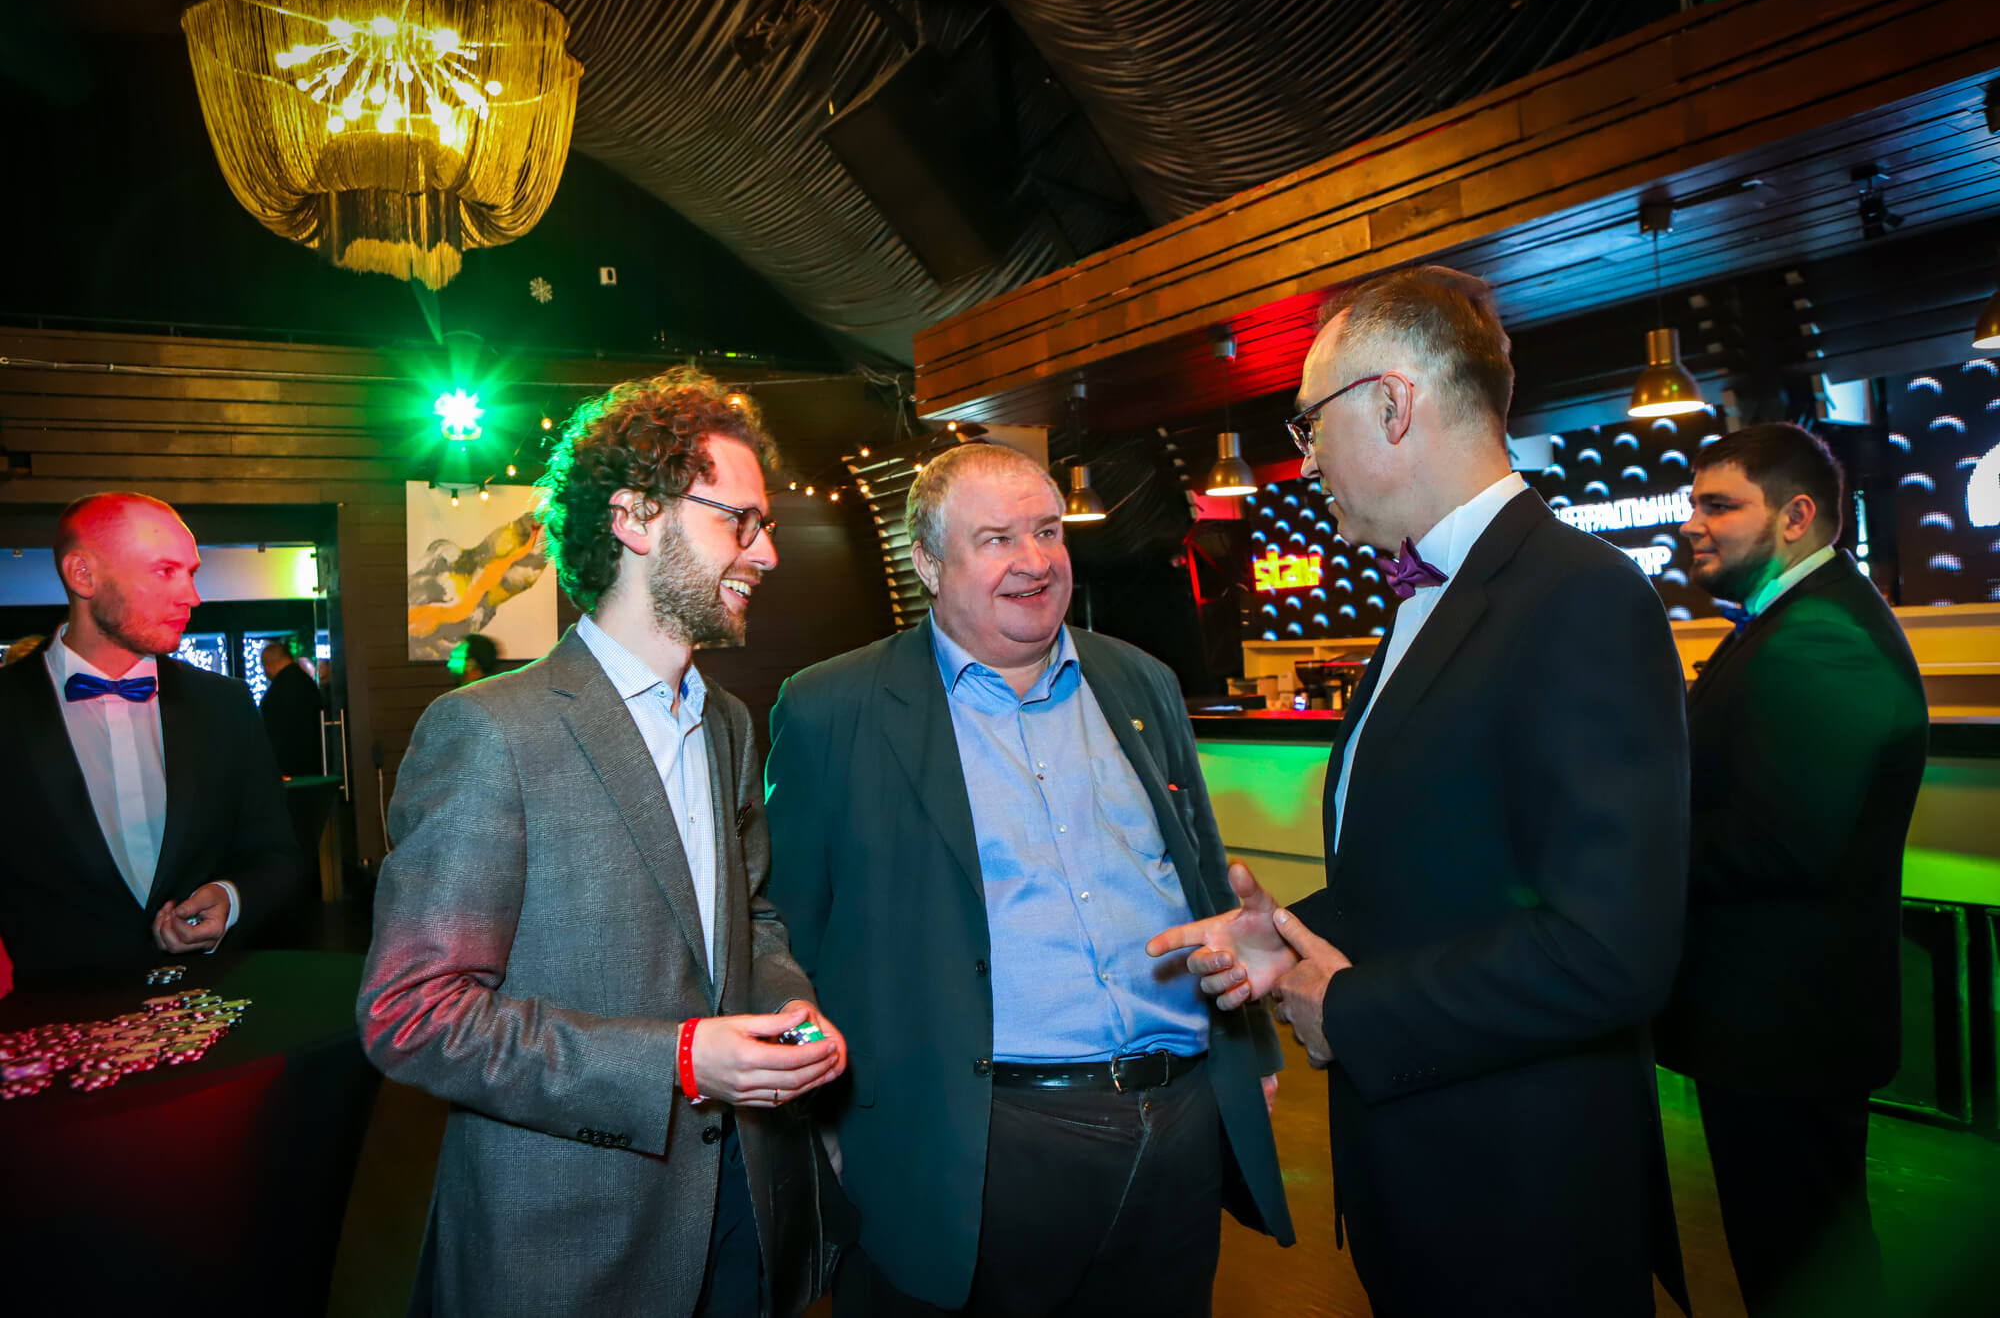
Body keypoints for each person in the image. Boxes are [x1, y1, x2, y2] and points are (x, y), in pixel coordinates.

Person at [1150, 266, 1691, 1316]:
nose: (1307, 459)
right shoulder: (1422, 596)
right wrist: (1286, 934)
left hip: (1524, 1202)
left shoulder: (1578, 595)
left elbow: (1609, 952)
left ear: (1393, 405)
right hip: (1424, 1176)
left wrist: (1350, 1010)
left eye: (1311, 423)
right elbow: (1433, 868)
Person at [764, 442, 1293, 1317]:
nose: (1035, 560)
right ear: (928, 563)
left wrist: (1252, 1055)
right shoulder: (833, 708)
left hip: (1180, 1123)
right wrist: (810, 1122)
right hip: (975, 1141)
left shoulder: (1142, 681)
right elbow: (787, 933)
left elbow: (1203, 878)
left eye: (1048, 531)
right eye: (998, 539)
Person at [357, 370, 845, 1318]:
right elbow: (412, 1014)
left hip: (740, 1212)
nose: (768, 552)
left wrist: (792, 1008)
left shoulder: (730, 722)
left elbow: (748, 917)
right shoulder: (490, 731)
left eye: (766, 524)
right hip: (568, 1248)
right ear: (634, 518)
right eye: (740, 521)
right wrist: (676, 1061)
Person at [1654, 423, 1926, 1316]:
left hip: (1786, 1030)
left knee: (1806, 1274)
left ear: (1797, 516)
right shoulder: (1789, 619)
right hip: (1769, 1029)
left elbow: (1784, 843)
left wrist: (1631, 845)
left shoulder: (1820, 636)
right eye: (1694, 503)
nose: (1692, 523)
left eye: (1719, 505)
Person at [0, 493, 298, 971]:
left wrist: (231, 897)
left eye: (191, 572)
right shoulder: (9, 709)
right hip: (53, 1008)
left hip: (208, 997)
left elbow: (276, 855)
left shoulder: (225, 704)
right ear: (83, 575)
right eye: (165, 571)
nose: (192, 596)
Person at [259, 636, 324, 778]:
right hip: (313, 764)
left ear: (268, 665)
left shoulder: (277, 691)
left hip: (289, 769)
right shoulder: (307, 683)